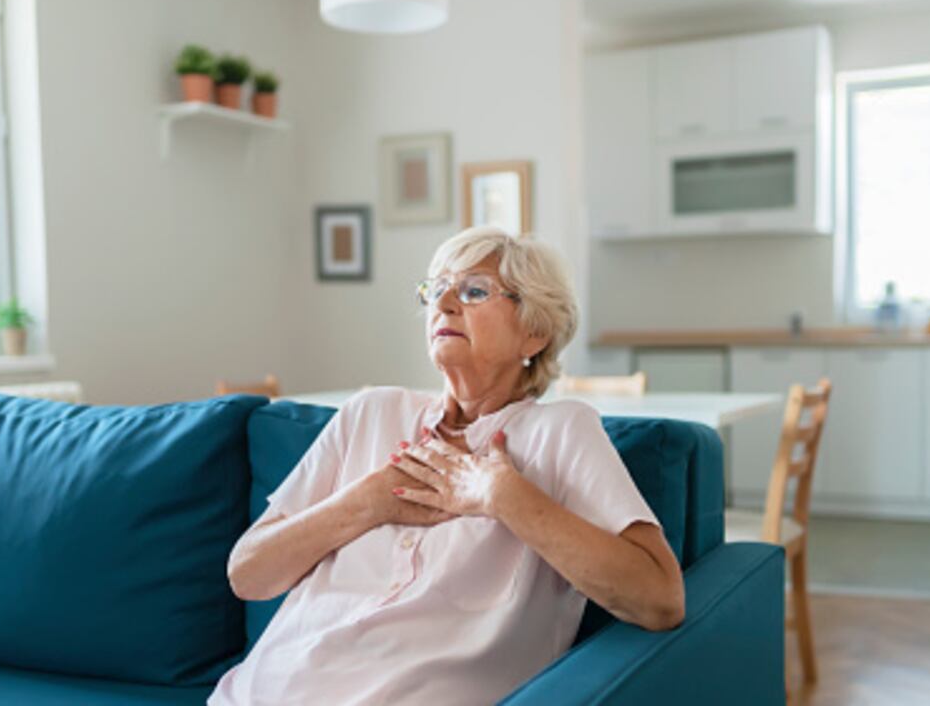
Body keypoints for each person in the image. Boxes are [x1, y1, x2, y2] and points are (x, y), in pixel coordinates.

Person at [209, 227, 684, 705]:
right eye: (435, 290)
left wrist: (501, 496)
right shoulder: (370, 413)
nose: (445, 304)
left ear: (535, 332)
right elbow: (247, 574)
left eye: (474, 290)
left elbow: (659, 599)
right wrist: (367, 503)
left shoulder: (561, 433)